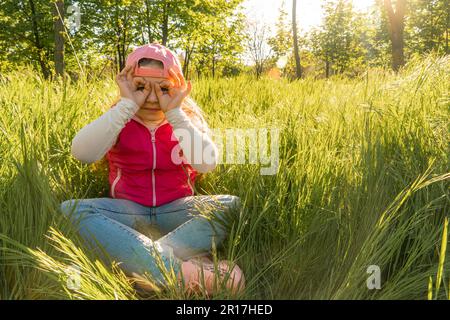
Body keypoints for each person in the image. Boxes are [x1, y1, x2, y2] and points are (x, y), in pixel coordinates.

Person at [59, 42, 245, 296]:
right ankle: (182, 270)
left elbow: (207, 163)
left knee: (230, 205)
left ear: (177, 87)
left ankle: (137, 264)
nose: (150, 97)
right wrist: (126, 105)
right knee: (71, 211)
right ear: (127, 84)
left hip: (178, 210)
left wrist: (175, 113)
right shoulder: (119, 117)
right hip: (129, 212)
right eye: (140, 87)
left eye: (163, 88)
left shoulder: (184, 118)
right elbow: (82, 153)